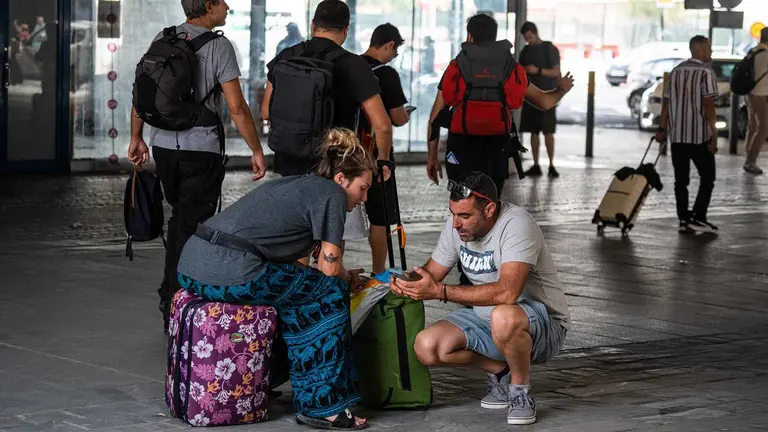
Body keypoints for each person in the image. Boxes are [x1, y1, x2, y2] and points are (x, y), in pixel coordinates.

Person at [177, 128, 374, 431]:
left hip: (192, 264)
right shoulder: (332, 195)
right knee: (330, 293)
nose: (363, 198)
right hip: (230, 271)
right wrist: (346, 279)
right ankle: (323, 407)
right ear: (342, 179)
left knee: (303, 291)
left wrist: (342, 274)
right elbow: (330, 269)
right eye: (362, 188)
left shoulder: (302, 185)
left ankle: (265, 378)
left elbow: (298, 267)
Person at [128, 0, 267, 332]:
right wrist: (256, 149)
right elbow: (237, 106)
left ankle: (173, 298)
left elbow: (142, 94)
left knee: (181, 219)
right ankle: (179, 302)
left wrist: (137, 137)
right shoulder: (219, 46)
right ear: (209, 6)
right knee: (192, 226)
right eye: (222, 2)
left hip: (163, 147)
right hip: (201, 150)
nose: (229, 7)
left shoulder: (164, 39)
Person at [390, 171, 569, 426]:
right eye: (453, 214)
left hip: (542, 324)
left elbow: (508, 293)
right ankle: (500, 371)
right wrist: (401, 280)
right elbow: (430, 273)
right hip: (487, 318)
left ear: (489, 210)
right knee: (427, 346)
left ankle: (520, 393)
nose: (455, 224)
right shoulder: (457, 228)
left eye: (464, 216)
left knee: (503, 315)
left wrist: (440, 291)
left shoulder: (516, 224)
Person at [426, 14, 574, 194]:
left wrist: (432, 157)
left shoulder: (457, 66)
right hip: (496, 144)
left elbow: (435, 117)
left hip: (461, 143)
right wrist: (561, 90)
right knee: (490, 199)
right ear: (494, 37)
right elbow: (544, 102)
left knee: (460, 200)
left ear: (470, 36)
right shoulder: (510, 68)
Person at [261, 0, 393, 179]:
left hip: (288, 162)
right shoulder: (354, 65)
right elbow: (382, 125)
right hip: (334, 166)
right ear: (346, 29)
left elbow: (266, 112)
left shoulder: (287, 56)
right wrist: (383, 160)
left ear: (313, 25)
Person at [360, 23, 411, 273]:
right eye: (395, 51)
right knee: (379, 216)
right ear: (390, 45)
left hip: (346, 151)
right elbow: (398, 119)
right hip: (375, 152)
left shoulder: (350, 66)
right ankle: (378, 273)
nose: (394, 56)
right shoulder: (387, 74)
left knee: (338, 215)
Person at [655, 35, 719, 234]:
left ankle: (683, 218)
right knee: (708, 177)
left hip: (678, 137)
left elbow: (666, 103)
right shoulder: (705, 73)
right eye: (708, 48)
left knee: (680, 181)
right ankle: (699, 216)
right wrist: (714, 133)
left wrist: (662, 129)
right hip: (699, 135)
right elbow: (709, 105)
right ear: (699, 50)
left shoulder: (675, 72)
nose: (711, 52)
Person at [518, 22, 562, 178]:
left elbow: (556, 72)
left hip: (548, 96)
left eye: (530, 36)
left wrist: (538, 71)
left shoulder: (549, 49)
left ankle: (551, 164)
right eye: (526, 38)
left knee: (548, 131)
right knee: (533, 131)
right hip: (530, 97)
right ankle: (536, 164)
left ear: (535, 33)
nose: (528, 40)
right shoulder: (526, 51)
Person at [744, 27, 768, 175]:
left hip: (750, 94)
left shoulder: (753, 51)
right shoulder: (766, 55)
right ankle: (751, 161)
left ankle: (748, 157)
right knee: (764, 128)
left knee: (753, 125)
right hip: (760, 94)